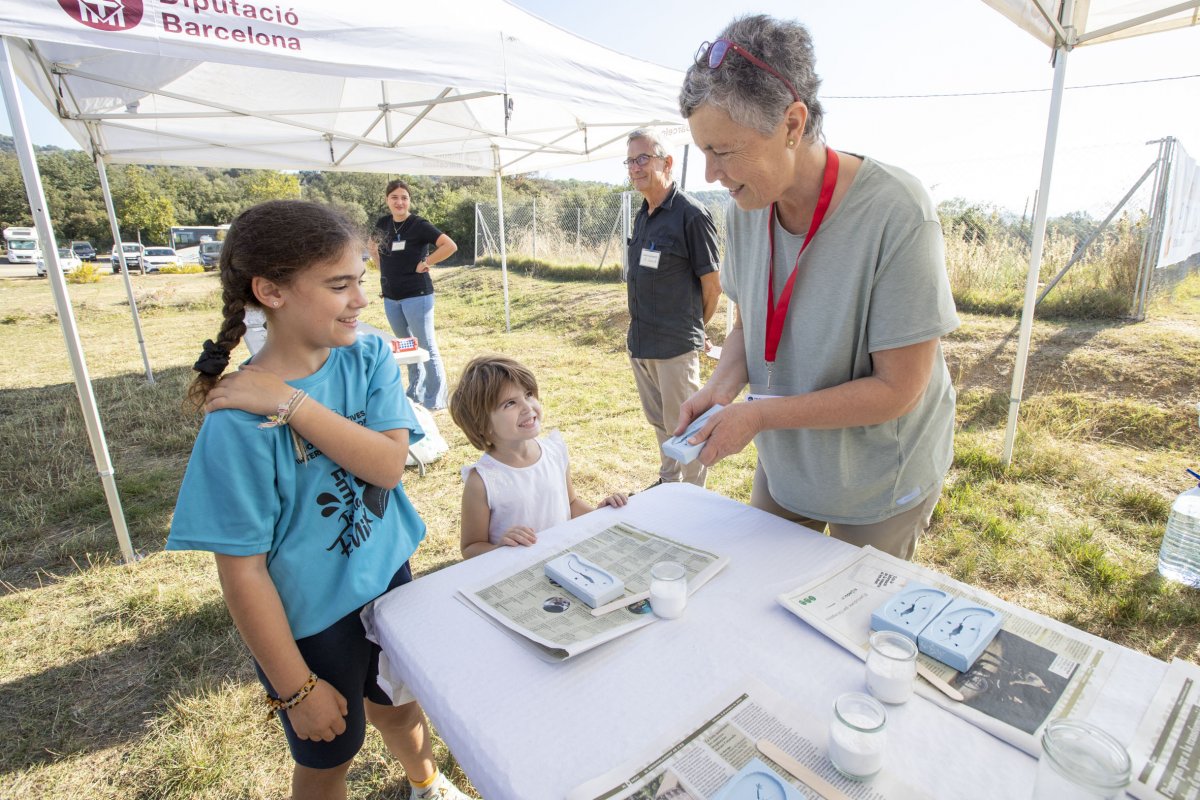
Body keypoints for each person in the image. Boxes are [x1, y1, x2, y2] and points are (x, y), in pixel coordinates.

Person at [167, 200, 470, 800]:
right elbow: (244, 573)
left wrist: (290, 403)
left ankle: (426, 783)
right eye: (339, 285)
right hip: (312, 625)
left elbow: (387, 466)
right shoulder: (233, 427)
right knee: (331, 748)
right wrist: (296, 689)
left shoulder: (369, 356)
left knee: (400, 707)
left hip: (389, 582)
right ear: (270, 292)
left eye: (360, 279)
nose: (361, 298)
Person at [675, 15, 959, 561]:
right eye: (703, 151)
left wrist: (759, 416)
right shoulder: (745, 204)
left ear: (792, 123)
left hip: (876, 478)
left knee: (853, 627)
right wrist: (721, 389)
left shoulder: (897, 211)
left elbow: (899, 389)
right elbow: (749, 323)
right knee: (761, 591)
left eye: (724, 151)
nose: (710, 174)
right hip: (789, 463)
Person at [448, 354, 628, 558]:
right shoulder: (482, 481)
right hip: (518, 572)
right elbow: (470, 547)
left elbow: (571, 503)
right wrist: (500, 547)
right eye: (510, 403)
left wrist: (600, 516)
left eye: (528, 394)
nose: (527, 407)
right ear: (482, 425)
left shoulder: (555, 451)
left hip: (565, 561)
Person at [623, 128, 723, 491]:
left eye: (643, 158)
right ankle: (668, 484)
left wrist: (690, 331)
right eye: (630, 161)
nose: (635, 167)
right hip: (642, 343)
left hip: (675, 347)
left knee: (686, 425)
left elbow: (712, 287)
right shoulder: (643, 215)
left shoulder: (691, 215)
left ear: (667, 162)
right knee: (660, 423)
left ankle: (694, 494)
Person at [375, 179, 458, 410]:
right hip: (391, 296)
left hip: (417, 295)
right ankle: (414, 393)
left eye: (404, 197)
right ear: (387, 200)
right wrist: (379, 265)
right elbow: (373, 245)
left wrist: (427, 262)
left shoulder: (419, 224)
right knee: (407, 346)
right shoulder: (383, 223)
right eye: (395, 198)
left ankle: (435, 399)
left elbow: (449, 245)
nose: (399, 202)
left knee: (426, 346)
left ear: (409, 200)